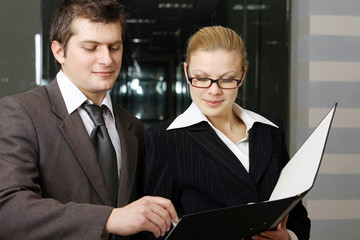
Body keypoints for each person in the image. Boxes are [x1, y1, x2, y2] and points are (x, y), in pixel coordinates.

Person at [0, 0, 178, 239]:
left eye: (114, 47)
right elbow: (9, 210)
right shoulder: (20, 113)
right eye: (91, 47)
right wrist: (108, 219)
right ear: (59, 51)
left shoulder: (132, 127)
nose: (106, 59)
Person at [142, 26, 310, 239]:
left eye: (227, 79)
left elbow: (298, 217)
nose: (214, 90)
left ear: (243, 74)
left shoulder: (270, 129)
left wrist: (288, 238)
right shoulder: (163, 139)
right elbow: (150, 233)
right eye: (201, 78)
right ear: (186, 72)